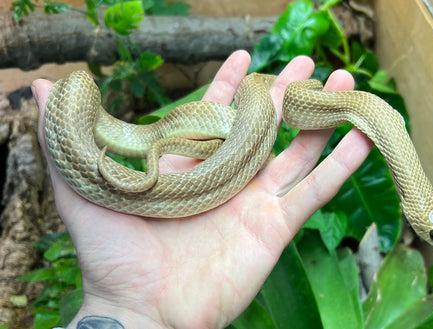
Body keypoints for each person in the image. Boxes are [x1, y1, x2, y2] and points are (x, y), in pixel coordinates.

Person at [33, 50, 373, 329]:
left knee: (78, 83)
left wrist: (130, 311)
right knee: (78, 83)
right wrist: (130, 306)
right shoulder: (254, 107)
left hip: (222, 133)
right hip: (186, 137)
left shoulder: (256, 109)